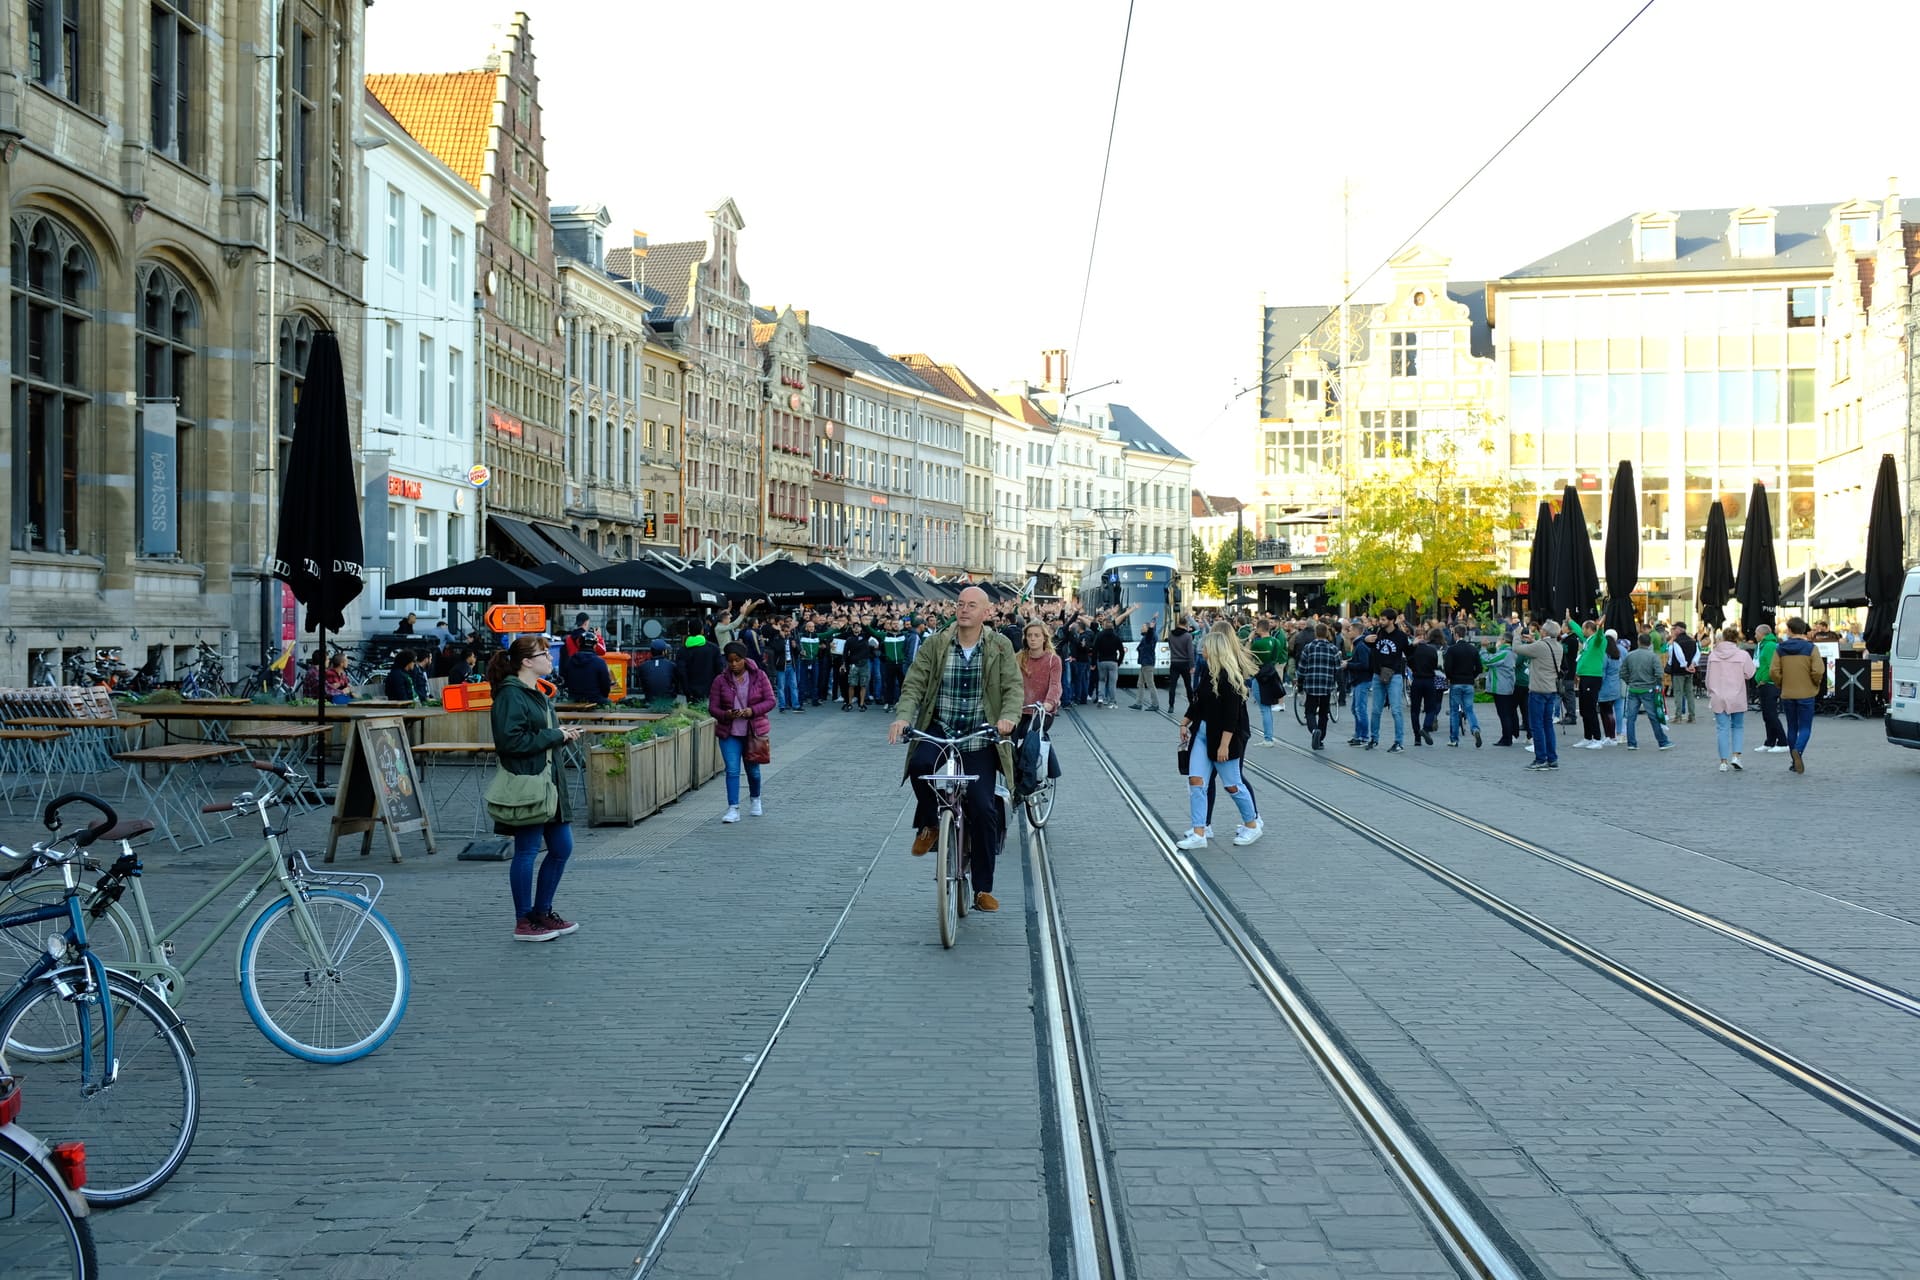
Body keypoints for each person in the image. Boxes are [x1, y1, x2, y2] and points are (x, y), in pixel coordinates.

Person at [890, 586, 1022, 913]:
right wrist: (903, 717)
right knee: (920, 766)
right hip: (941, 726)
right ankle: (933, 824)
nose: (963, 609)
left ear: (985, 613)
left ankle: (982, 890)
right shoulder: (936, 643)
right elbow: (915, 683)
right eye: (960, 604)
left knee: (983, 808)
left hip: (979, 733)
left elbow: (1012, 687)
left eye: (971, 605)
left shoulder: (1000, 646)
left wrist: (1008, 717)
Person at [487, 635, 583, 942]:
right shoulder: (510, 695)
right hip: (528, 782)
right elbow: (510, 742)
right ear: (527, 661)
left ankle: (542, 912)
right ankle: (523, 920)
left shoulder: (532, 691)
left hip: (548, 782)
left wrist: (559, 733)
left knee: (561, 847)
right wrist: (555, 735)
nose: (551, 658)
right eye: (545, 654)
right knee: (527, 850)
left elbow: (536, 732)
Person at [1175, 629, 1264, 849]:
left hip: (1224, 737)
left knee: (1233, 784)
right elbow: (1199, 702)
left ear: (1214, 650)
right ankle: (1199, 832)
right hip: (1202, 734)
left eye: (1204, 647)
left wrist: (1225, 745)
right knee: (1196, 781)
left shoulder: (1229, 677)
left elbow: (1231, 716)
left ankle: (1252, 825)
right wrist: (1184, 722)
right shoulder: (1208, 672)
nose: (1201, 650)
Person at [710, 642, 775, 822]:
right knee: (732, 770)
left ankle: (756, 799)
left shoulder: (759, 676)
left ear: (744, 660)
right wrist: (726, 714)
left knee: (753, 771)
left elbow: (770, 701)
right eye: (730, 661)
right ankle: (733, 808)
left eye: (737, 660)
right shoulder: (720, 680)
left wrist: (752, 711)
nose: (734, 665)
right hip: (729, 732)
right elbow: (712, 707)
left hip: (752, 731)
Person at [1015, 621, 1063, 795]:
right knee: (1006, 740)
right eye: (1029, 636)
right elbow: (1010, 682)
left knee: (1031, 739)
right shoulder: (1019, 658)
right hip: (1020, 709)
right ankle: (1013, 774)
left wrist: (1049, 703)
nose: (1033, 639)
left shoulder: (1053, 660)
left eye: (1037, 635)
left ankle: (1028, 783)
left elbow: (1055, 685)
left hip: (1042, 711)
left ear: (1044, 638)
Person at [1773, 617, 1823, 774]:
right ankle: (1798, 751)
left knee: (1792, 727)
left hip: (1788, 693)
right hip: (1807, 692)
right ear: (1804, 630)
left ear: (1789, 630)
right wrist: (1814, 683)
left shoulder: (1780, 648)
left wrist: (1781, 683)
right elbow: (1818, 671)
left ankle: (1794, 762)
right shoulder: (1811, 648)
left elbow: (1773, 671)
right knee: (1805, 727)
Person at [1704, 625, 1756, 773]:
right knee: (1738, 726)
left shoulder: (1713, 655)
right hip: (1737, 694)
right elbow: (1750, 673)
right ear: (1736, 639)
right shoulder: (1743, 655)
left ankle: (1723, 762)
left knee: (1722, 729)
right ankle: (1736, 756)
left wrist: (1710, 692)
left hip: (1718, 695)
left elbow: (1707, 678)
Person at [1513, 622, 1563, 771]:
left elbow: (1517, 649)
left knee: (1537, 726)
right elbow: (1543, 650)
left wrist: (1517, 635)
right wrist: (1534, 641)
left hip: (1538, 690)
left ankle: (1540, 758)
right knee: (1548, 725)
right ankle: (1552, 758)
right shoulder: (1557, 646)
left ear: (1544, 632)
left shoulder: (1541, 646)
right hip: (1551, 689)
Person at [1620, 632, 1672, 751]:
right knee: (1653, 716)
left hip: (1633, 688)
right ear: (1650, 643)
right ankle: (1662, 741)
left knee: (1631, 717)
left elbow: (1622, 672)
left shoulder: (1630, 655)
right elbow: (1659, 674)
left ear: (1638, 642)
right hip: (1648, 689)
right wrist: (1655, 684)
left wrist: (1630, 681)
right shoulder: (1653, 656)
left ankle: (1631, 743)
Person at [1294, 623, 1342, 750]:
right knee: (1323, 712)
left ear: (1316, 633)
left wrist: (1299, 683)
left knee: (1309, 711)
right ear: (1327, 633)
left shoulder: (1308, 648)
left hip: (1311, 685)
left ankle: (1314, 730)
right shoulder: (1333, 649)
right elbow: (1337, 668)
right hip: (1326, 685)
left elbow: (1302, 667)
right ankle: (1320, 738)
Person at [1368, 610, 1409, 752]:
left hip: (1395, 675)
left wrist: (1414, 645)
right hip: (1377, 674)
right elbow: (1369, 644)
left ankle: (1399, 742)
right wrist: (1365, 640)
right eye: (1381, 619)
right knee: (1375, 710)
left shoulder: (1401, 636)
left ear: (1392, 621)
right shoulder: (1378, 633)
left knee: (1396, 710)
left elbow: (1409, 653)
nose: (1381, 621)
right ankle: (1374, 738)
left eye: (1384, 619)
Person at [1443, 629, 1484, 747]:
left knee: (1454, 711)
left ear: (1456, 635)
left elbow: (1447, 668)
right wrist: (1472, 676)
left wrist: (1450, 677)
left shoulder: (1452, 650)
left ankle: (1454, 739)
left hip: (1456, 683)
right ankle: (1475, 728)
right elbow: (1479, 668)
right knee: (1469, 709)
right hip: (1469, 683)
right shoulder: (1473, 649)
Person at [1752, 623, 1788, 753]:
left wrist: (1764, 679)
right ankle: (1770, 741)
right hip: (1764, 683)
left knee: (1771, 714)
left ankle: (1783, 742)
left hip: (1769, 684)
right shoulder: (1763, 646)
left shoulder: (1769, 646)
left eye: (1756, 633)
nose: (1755, 635)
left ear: (1762, 634)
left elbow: (1771, 666)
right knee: (1767, 715)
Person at [1249, 618, 1285, 746]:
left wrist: (1249, 639)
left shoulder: (1258, 644)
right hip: (1271, 674)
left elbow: (1247, 656)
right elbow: (1276, 657)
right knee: (1267, 708)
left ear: (1259, 629)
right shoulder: (1276, 641)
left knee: (1264, 708)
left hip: (1259, 675)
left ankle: (1268, 738)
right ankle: (1268, 737)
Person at [1407, 627, 1443, 747]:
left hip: (1417, 680)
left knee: (1415, 710)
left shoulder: (1412, 651)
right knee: (1431, 708)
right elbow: (1435, 664)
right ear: (1425, 636)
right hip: (1429, 680)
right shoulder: (1431, 650)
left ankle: (1417, 737)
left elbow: (1409, 663)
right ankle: (1426, 728)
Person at [1482, 635, 1519, 746]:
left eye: (1498, 639)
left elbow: (1488, 660)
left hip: (1501, 687)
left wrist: (1483, 648)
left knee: (1504, 714)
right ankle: (1510, 735)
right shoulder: (1509, 652)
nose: (1497, 642)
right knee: (1508, 713)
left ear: (1503, 640)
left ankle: (1506, 738)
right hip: (1506, 686)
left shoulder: (1505, 653)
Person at [1344, 623, 1375, 746]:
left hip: (1362, 679)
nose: (1348, 632)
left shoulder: (1360, 645)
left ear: (1357, 631)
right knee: (1355, 708)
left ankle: (1363, 736)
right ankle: (1358, 734)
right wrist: (1348, 662)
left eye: (1350, 630)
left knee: (1360, 708)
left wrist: (1348, 665)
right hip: (1359, 680)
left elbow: (1364, 664)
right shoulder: (1358, 644)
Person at [1666, 622, 1698, 723]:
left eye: (1674, 628)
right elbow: (1697, 654)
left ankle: (1678, 716)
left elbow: (1679, 656)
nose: (1673, 631)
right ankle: (1692, 716)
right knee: (1689, 693)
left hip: (1679, 671)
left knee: (1678, 693)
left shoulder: (1677, 642)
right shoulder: (1693, 641)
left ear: (1679, 629)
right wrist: (1692, 665)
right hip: (1690, 670)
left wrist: (1684, 665)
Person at [1131, 613, 1161, 710]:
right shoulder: (1148, 637)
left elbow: (1151, 631)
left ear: (1148, 629)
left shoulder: (1149, 637)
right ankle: (1138, 703)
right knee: (1140, 684)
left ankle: (1155, 704)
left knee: (1150, 684)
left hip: (1147, 663)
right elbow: (1152, 630)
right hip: (1144, 663)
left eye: (1143, 627)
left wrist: (1152, 624)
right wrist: (1154, 618)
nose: (1141, 628)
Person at [1093, 617, 1125, 708]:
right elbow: (1122, 651)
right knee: (1112, 683)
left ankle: (1100, 698)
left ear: (1104, 626)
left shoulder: (1099, 635)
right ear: (1112, 627)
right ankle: (1112, 701)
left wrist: (1093, 663)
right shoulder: (1116, 636)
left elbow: (1095, 650)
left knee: (1101, 680)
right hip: (1113, 662)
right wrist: (1119, 662)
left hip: (1102, 661)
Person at [1166, 616, 1195, 714]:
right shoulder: (1188, 636)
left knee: (1172, 685)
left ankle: (1171, 706)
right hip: (1185, 663)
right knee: (1188, 685)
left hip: (1174, 662)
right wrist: (1192, 666)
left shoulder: (1171, 634)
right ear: (1186, 624)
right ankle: (1192, 704)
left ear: (1178, 623)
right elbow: (1190, 652)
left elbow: (1170, 646)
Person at [681, 631, 720, 701]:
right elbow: (719, 669)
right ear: (702, 631)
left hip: (691, 690)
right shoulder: (713, 648)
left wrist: (686, 690)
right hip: (709, 689)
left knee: (692, 710)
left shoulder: (683, 650)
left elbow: (681, 672)